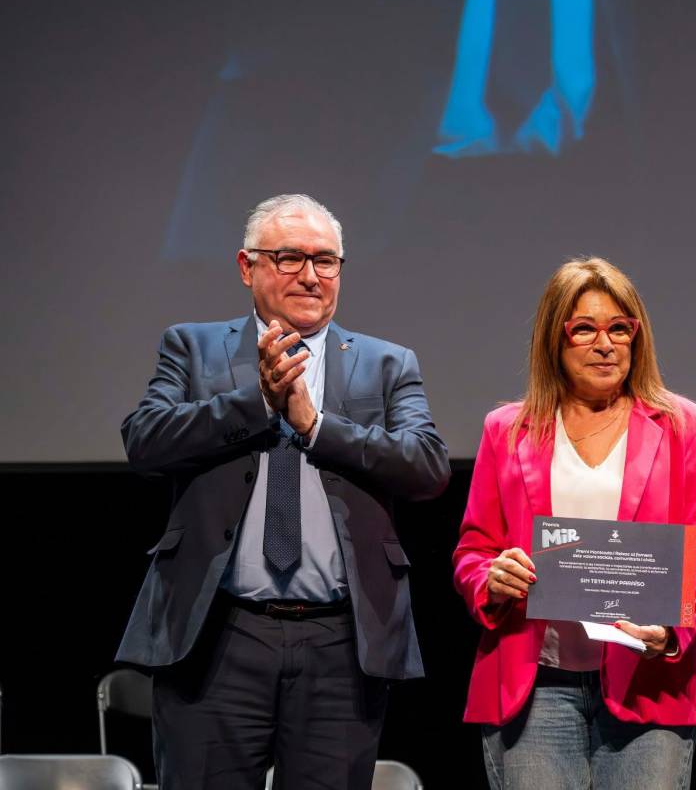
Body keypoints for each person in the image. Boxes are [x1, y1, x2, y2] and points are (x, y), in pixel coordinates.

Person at [118, 194, 451, 790]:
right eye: (288, 257)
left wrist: (315, 426)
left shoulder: (387, 363)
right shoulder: (193, 349)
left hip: (340, 643)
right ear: (247, 267)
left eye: (325, 261)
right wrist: (258, 403)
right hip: (217, 634)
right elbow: (145, 440)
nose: (310, 275)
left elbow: (426, 466)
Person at [453, 257, 696, 789]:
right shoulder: (506, 430)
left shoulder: (682, 426)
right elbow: (474, 549)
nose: (605, 344)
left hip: (648, 682)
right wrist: (490, 579)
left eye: (619, 329)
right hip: (534, 688)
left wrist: (674, 629)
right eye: (583, 329)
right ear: (553, 340)